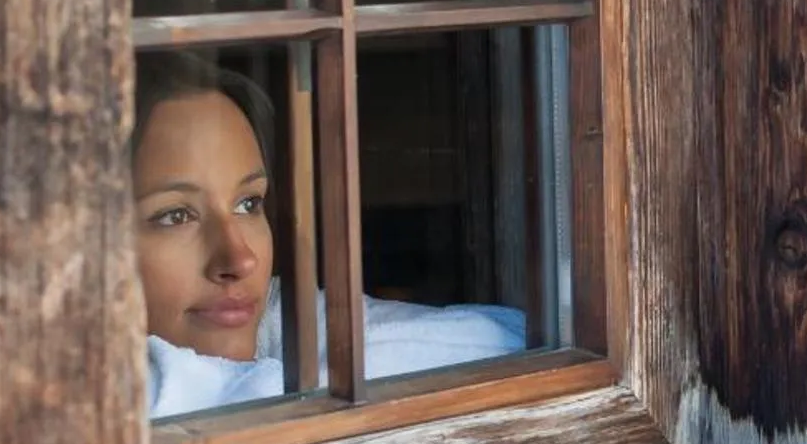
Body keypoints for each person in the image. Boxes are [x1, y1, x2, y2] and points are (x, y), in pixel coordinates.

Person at [132, 52, 524, 418]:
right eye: (175, 215)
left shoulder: (279, 317)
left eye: (249, 204)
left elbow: (511, 338)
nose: (240, 259)